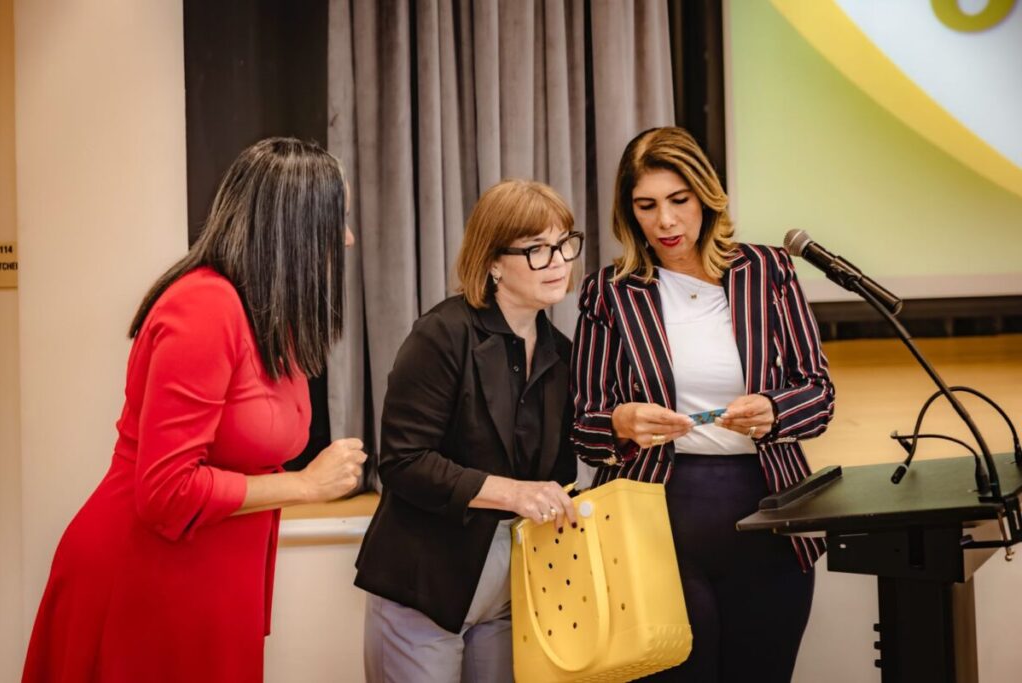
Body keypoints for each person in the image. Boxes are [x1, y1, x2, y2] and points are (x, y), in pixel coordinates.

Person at [22, 137, 368, 682]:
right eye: (337, 219)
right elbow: (165, 491)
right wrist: (306, 485)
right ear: (295, 227)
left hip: (210, 577)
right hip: (144, 576)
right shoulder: (205, 307)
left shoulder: (270, 317)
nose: (347, 238)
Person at [570, 127, 834, 683]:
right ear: (628, 212)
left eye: (678, 200)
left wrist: (775, 410)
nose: (665, 222)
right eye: (646, 206)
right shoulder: (611, 291)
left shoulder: (768, 271)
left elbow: (819, 393)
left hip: (770, 520)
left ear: (707, 198)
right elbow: (584, 425)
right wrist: (620, 422)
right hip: (656, 526)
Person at [355, 179, 582, 683]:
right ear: (493, 261)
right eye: (537, 249)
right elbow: (403, 461)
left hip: (512, 585)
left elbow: (560, 471)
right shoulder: (443, 333)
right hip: (426, 580)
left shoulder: (562, 353)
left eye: (565, 244)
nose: (559, 262)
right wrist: (513, 493)